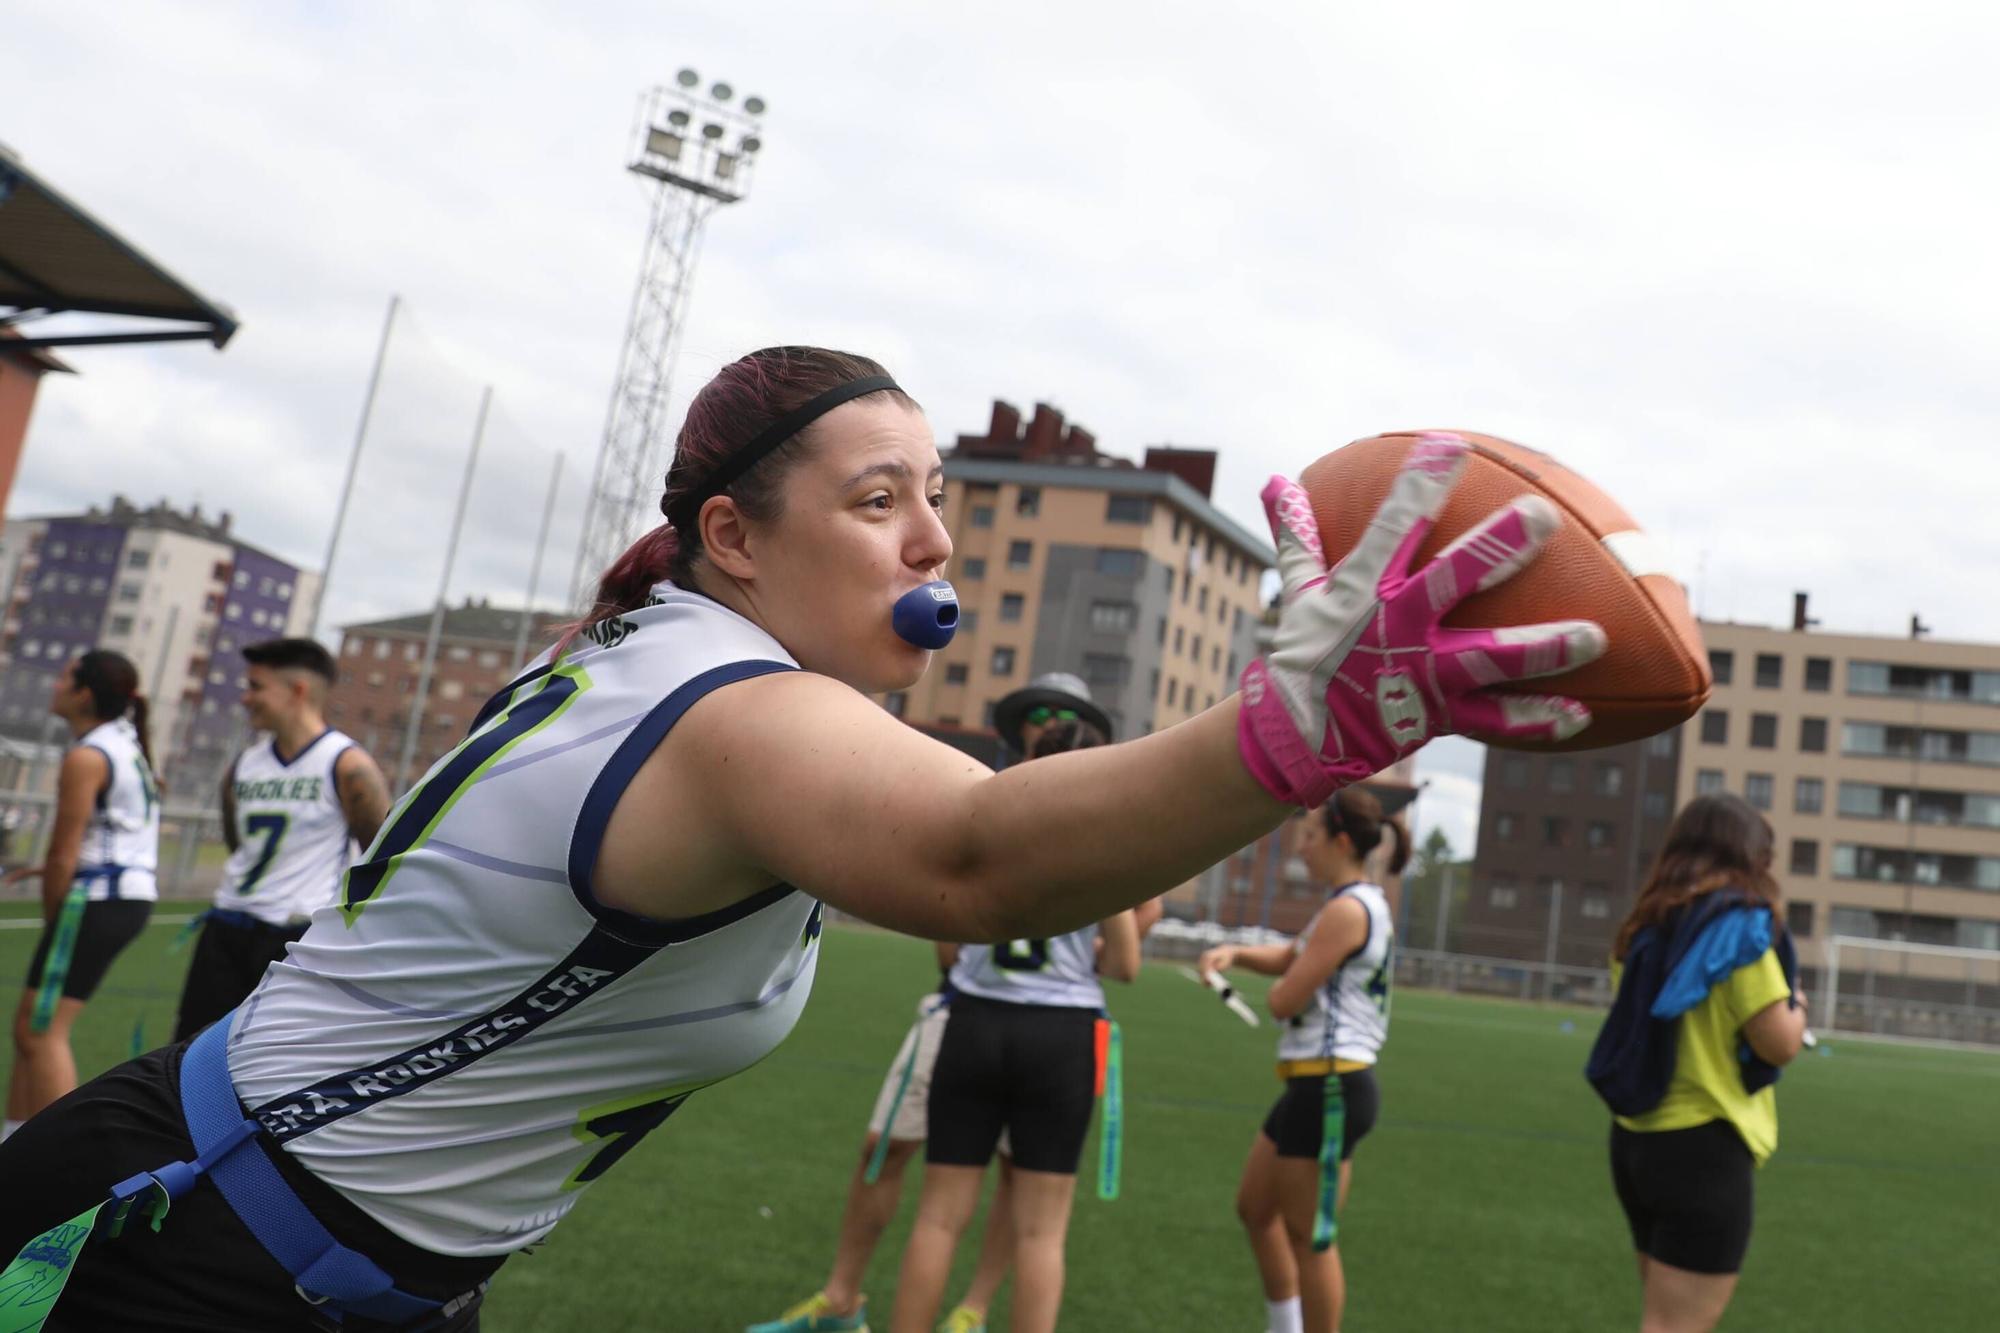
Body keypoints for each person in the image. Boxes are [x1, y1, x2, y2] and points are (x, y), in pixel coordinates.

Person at [0, 346, 1602, 1332]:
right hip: (189, 1242)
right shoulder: (734, 705)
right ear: (733, 539)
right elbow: (979, 855)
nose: (931, 540)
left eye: (942, 504)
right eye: (878, 499)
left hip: (315, 1248)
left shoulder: (660, 656)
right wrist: (1291, 731)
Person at [750, 676, 1129, 1333]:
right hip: (1062, 1030)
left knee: (939, 1214)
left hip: (975, 1018)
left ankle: (928, 1308)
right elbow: (1125, 962)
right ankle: (869, 1300)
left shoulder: (993, 815)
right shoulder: (1107, 839)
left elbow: (950, 949)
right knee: (1042, 1231)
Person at [1584, 794, 1807, 1333]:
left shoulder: (1644, 926)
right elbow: (1778, 1043)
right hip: (1704, 1147)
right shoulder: (1741, 931)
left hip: (1637, 1142)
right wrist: (1798, 1004)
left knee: (1660, 1317)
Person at [1198, 788, 1409, 1333]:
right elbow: (1292, 958)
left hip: (1333, 1087)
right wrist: (1237, 953)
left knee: (1311, 1237)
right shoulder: (1346, 903)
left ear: (1341, 841)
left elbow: (1285, 998)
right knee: (1255, 1208)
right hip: (1312, 1086)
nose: (1301, 847)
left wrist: (1275, 989)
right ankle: (1284, 1325)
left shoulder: (1347, 909)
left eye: (1311, 836)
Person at [172, 638, 394, 1042]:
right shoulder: (244, 765)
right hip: (226, 928)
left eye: (256, 687)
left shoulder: (347, 764)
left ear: (298, 690)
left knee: (267, 1063)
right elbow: (238, 845)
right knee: (191, 1053)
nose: (245, 698)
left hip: (294, 937)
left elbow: (382, 859)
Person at [3, 651, 159, 1142]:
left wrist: (55, 917)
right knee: (31, 1028)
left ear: (84, 693)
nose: (55, 683)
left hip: (98, 901)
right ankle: (15, 1147)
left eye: (65, 676)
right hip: (117, 896)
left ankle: (58, 1163)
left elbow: (64, 854)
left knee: (42, 1031)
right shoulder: (120, 742)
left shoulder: (87, 755)